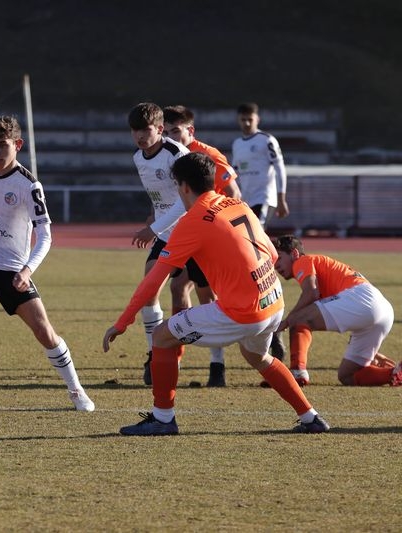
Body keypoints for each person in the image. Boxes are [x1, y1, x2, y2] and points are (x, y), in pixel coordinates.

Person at [103, 152, 329, 435]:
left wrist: (122, 322)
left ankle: (162, 419)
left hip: (245, 310)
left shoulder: (193, 220)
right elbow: (271, 254)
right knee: (258, 357)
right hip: (274, 301)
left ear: (183, 186)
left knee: (161, 337)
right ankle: (311, 418)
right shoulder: (239, 204)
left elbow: (152, 281)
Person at [0, 116, 94, 411]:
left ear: (18, 145)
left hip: (11, 266)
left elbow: (46, 236)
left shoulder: (28, 185)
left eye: (2, 145)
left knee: (44, 331)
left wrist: (27, 270)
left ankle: (77, 391)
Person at [163, 105, 242, 386]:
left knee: (206, 295)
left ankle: (216, 366)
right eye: (166, 132)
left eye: (176, 132)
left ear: (190, 130)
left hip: (210, 235)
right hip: (189, 234)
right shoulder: (170, 157)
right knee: (178, 288)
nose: (171, 138)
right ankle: (177, 353)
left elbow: (234, 194)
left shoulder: (209, 156)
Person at [273, 234, 399, 386]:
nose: (276, 265)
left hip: (361, 298)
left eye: (279, 257)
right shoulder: (319, 267)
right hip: (382, 309)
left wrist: (287, 321)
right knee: (347, 375)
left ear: (294, 253)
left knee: (298, 318)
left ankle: (297, 372)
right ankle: (394, 373)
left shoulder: (302, 261)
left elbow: (311, 293)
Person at [127, 103, 189, 386]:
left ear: (160, 129)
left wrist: (151, 228)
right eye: (135, 131)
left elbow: (185, 200)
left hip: (194, 233)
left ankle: (218, 363)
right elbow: (159, 197)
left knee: (212, 296)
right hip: (166, 235)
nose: (140, 136)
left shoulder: (176, 154)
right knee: (148, 291)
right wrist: (155, 218)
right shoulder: (139, 157)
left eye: (146, 130)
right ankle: (155, 356)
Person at [232, 102, 288, 361]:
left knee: (254, 248)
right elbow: (234, 175)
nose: (246, 123)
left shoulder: (266, 140)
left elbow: (279, 167)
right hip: (243, 201)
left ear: (257, 118)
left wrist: (281, 197)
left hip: (263, 199)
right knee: (249, 249)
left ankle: (271, 323)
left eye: (250, 119)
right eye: (243, 119)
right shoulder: (237, 144)